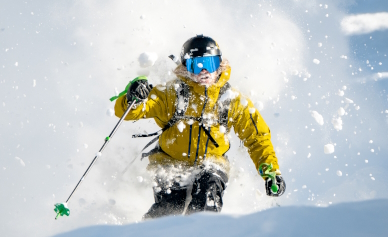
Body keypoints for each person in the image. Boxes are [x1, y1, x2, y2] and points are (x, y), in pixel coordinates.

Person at [113, 35, 285, 219]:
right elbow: (131, 112)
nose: (204, 72)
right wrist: (134, 97)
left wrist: (271, 172)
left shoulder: (231, 100)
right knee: (169, 208)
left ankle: (201, 236)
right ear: (186, 68)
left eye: (209, 64)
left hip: (211, 163)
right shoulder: (171, 94)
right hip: (171, 162)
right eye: (197, 65)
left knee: (207, 197)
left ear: (220, 65)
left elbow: (257, 137)